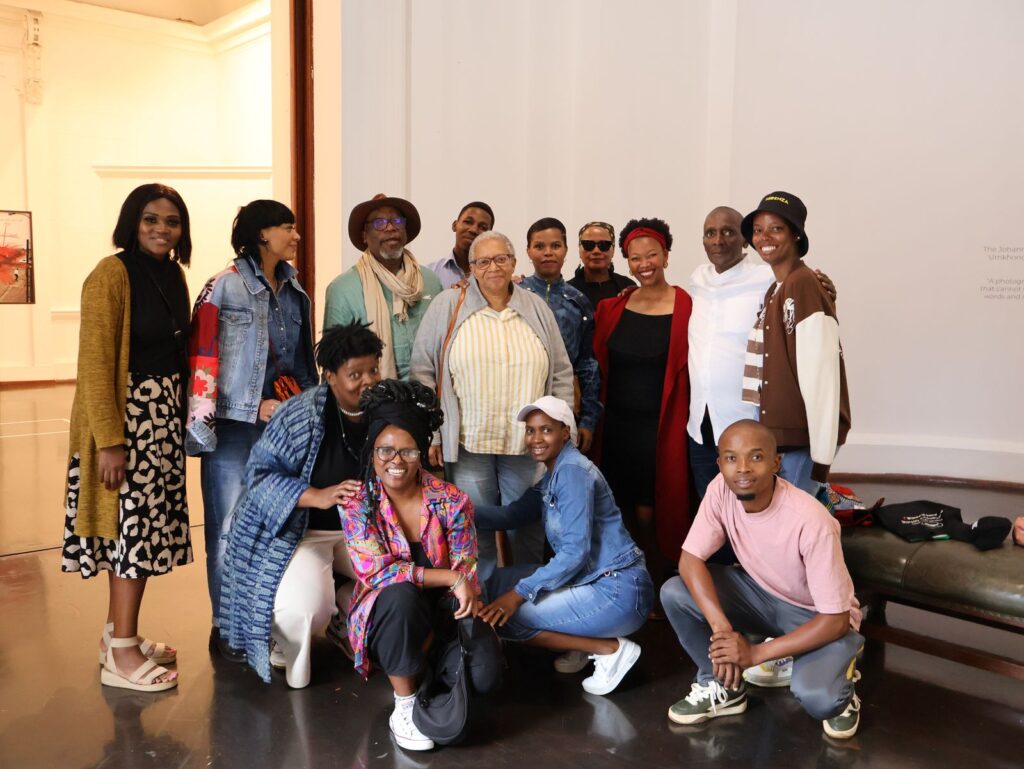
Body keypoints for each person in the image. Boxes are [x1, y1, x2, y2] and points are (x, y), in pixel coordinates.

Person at [61, 182, 193, 692]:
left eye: (172, 221)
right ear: (132, 223)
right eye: (150, 219)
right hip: (126, 421)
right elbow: (95, 364)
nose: (162, 229)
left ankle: (117, 635)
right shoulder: (110, 274)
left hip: (161, 420)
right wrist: (111, 442)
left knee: (144, 532)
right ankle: (121, 652)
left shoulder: (174, 275)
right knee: (131, 535)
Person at [660, 419, 864, 739]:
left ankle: (844, 685)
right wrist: (723, 632)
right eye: (731, 458)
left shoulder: (812, 521)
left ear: (775, 463)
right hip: (762, 597)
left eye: (755, 457)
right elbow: (690, 559)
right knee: (675, 591)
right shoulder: (720, 489)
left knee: (821, 699)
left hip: (817, 618)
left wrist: (753, 655)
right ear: (720, 464)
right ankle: (722, 685)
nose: (742, 468)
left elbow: (835, 620)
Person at [217, 322, 383, 688]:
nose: (368, 381)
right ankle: (290, 635)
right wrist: (317, 495)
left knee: (399, 587)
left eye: (373, 369)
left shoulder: (384, 411)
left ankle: (346, 614)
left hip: (361, 531)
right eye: (355, 374)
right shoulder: (301, 414)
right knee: (305, 610)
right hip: (304, 533)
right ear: (331, 377)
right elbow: (259, 475)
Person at [187, 199, 317, 660]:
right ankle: (228, 629)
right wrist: (247, 407)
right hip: (233, 431)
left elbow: (303, 364)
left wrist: (308, 411)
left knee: (278, 526)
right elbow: (202, 361)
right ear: (263, 234)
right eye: (287, 227)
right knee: (228, 530)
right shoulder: (223, 286)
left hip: (282, 429)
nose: (295, 236)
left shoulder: (295, 290)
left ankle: (266, 622)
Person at [341, 380, 497, 752]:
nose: (396, 461)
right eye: (385, 450)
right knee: (401, 596)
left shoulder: (451, 500)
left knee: (487, 679)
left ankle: (424, 666)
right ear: (372, 449)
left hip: (443, 617)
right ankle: (405, 702)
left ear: (421, 452)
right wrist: (449, 577)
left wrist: (462, 590)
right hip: (390, 618)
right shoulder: (358, 503)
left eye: (408, 451)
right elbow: (377, 573)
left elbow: (467, 571)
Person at [410, 230, 574, 573]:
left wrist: (562, 429)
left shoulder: (536, 307)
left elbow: (560, 370)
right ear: (471, 268)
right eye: (483, 261)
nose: (493, 267)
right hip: (468, 443)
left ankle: (525, 598)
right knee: (473, 528)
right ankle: (478, 601)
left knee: (528, 528)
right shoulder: (448, 305)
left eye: (501, 259)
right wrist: (433, 434)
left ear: (514, 263)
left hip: (527, 445)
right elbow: (423, 372)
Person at [477, 397, 653, 695]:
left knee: (507, 616)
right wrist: (455, 508)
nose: (536, 438)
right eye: (530, 430)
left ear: (565, 432)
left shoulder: (573, 472)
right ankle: (583, 641)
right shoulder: (553, 475)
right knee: (495, 584)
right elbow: (512, 515)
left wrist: (517, 596)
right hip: (592, 581)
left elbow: (574, 553)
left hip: (616, 591)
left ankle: (609, 649)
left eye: (546, 430)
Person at [688, 206, 836, 502]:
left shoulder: (768, 278)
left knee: (757, 508)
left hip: (748, 421)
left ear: (745, 240)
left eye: (728, 232)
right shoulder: (697, 279)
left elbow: (803, 304)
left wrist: (826, 292)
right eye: (710, 233)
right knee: (711, 506)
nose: (718, 240)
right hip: (701, 422)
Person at [592, 217, 691, 613]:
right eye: (636, 258)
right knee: (618, 508)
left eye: (652, 255)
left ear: (666, 255)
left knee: (653, 512)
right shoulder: (613, 307)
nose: (644, 264)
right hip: (616, 428)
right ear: (627, 262)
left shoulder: (688, 307)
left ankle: (659, 586)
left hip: (660, 428)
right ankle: (626, 588)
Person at [740, 192, 851, 496]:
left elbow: (822, 374)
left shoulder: (802, 283)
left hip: (802, 437)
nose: (764, 237)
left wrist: (822, 459)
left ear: (796, 235)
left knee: (794, 519)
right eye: (758, 230)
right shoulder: (775, 290)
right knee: (787, 515)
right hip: (782, 436)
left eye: (776, 228)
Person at [324, 193, 443, 379]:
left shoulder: (430, 281)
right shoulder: (342, 289)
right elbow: (333, 363)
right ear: (364, 236)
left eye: (397, 221)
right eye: (379, 223)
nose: (391, 227)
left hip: (429, 391)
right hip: (372, 393)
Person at [520, 217, 601, 452]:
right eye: (539, 246)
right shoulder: (514, 294)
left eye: (555, 245)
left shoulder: (578, 302)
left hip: (563, 403)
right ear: (528, 251)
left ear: (566, 250)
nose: (548, 252)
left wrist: (588, 420)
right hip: (520, 398)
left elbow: (588, 364)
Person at [567, 221, 636, 309]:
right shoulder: (567, 291)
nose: (596, 251)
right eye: (588, 245)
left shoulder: (627, 287)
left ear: (613, 250)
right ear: (579, 249)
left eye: (604, 245)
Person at [427, 201, 495, 289]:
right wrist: (448, 296)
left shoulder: (496, 276)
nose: (473, 230)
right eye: (468, 222)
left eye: (483, 227)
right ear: (454, 225)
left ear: (489, 236)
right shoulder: (430, 273)